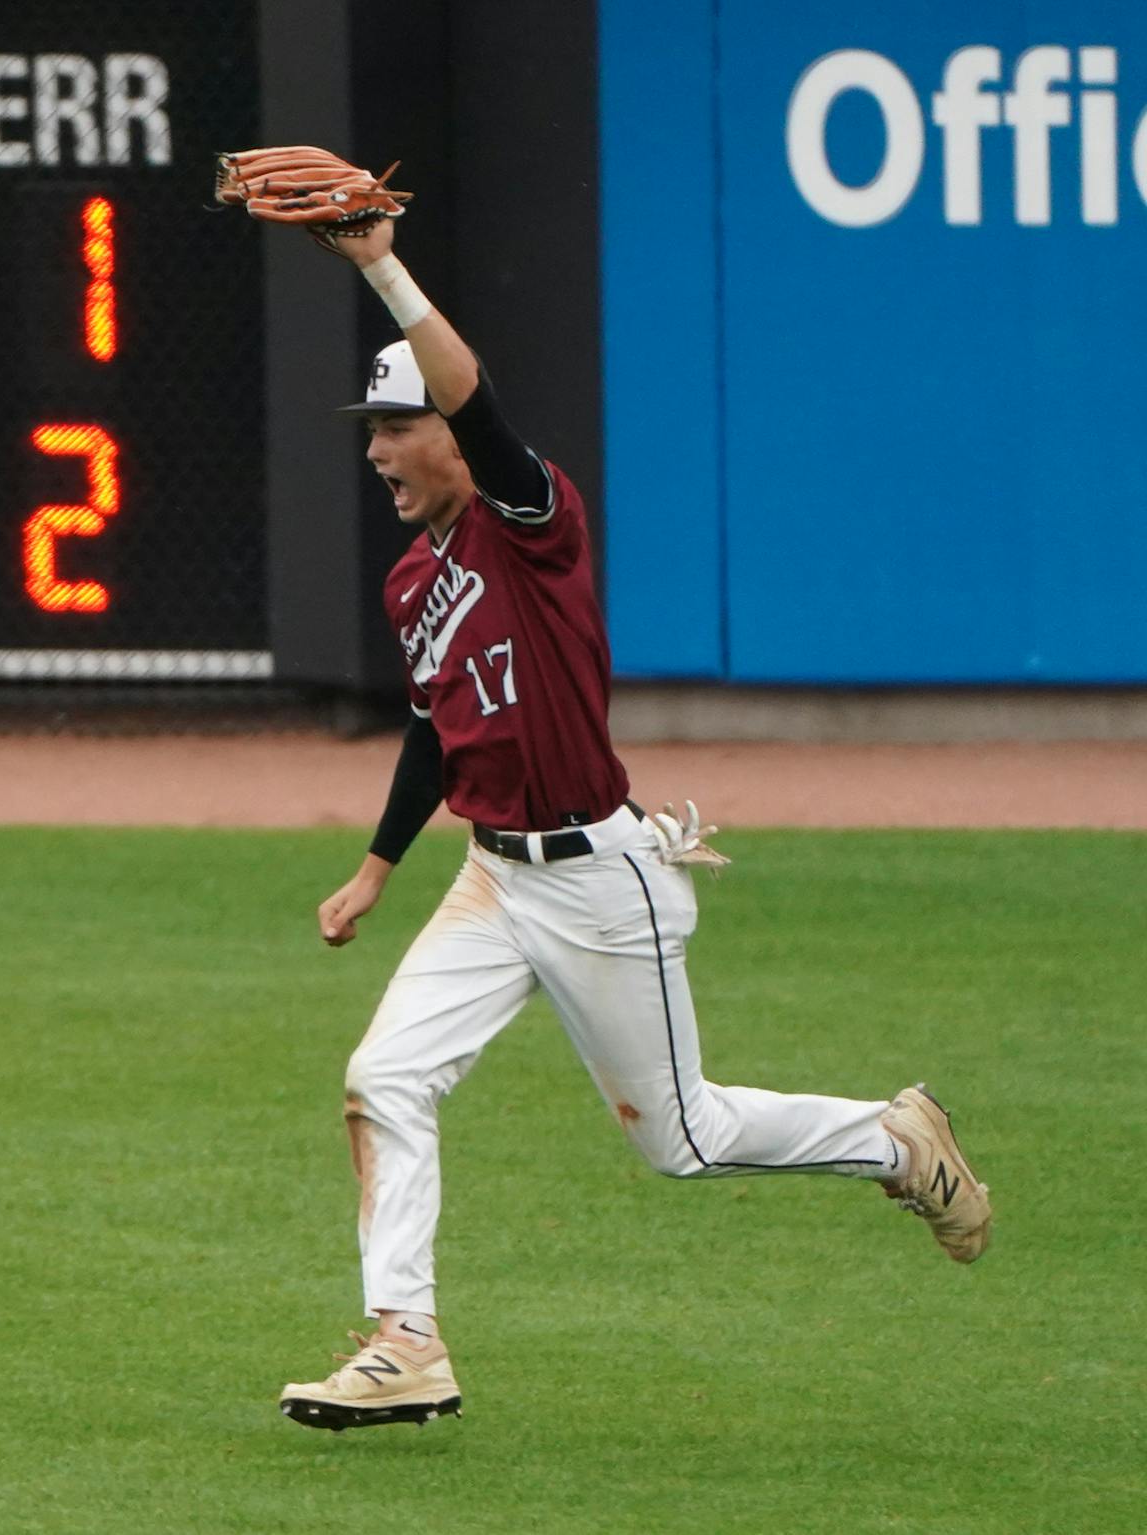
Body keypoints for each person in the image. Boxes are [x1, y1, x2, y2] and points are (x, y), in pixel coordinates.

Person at [275, 212, 993, 1433]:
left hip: (599, 879)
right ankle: (408, 1339)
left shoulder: (531, 525)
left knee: (685, 1140)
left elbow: (478, 397)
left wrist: (380, 265)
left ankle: (894, 1139)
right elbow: (433, 729)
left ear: (451, 435)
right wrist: (374, 869)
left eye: (396, 426)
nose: (379, 451)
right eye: (373, 431)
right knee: (383, 1074)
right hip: (491, 879)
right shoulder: (413, 581)